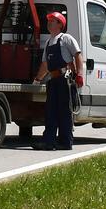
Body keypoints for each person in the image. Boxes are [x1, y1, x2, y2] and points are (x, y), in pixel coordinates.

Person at [33, 11, 83, 151]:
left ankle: (65, 142)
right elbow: (45, 65)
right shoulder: (49, 42)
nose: (49, 23)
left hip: (65, 80)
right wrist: (37, 79)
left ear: (60, 24)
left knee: (64, 112)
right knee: (51, 112)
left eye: (53, 21)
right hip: (53, 81)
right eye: (49, 21)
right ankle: (48, 142)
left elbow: (78, 56)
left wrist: (79, 75)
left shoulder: (66, 39)